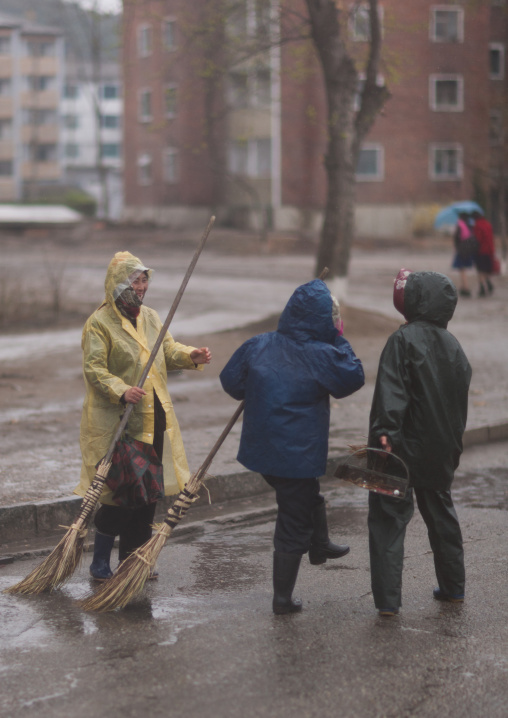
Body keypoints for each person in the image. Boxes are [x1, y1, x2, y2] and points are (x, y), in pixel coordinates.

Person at [220, 279, 365, 614]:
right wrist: (338, 337)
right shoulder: (322, 354)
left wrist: (256, 387)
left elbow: (231, 380)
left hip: (263, 452)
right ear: (323, 319)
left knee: (304, 494)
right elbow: (353, 377)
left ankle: (320, 545)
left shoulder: (259, 344)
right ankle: (282, 598)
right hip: (295, 455)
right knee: (293, 519)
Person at [75, 251, 211, 581]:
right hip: (121, 423)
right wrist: (121, 389)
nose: (141, 286)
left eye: (144, 279)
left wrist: (190, 355)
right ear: (118, 285)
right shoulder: (99, 324)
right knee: (120, 494)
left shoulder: (149, 317)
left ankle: (134, 561)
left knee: (147, 494)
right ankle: (100, 562)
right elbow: (94, 369)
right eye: (135, 280)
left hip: (154, 417)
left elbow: (167, 349)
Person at [368, 269, 471, 617]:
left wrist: (384, 432)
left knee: (387, 521)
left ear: (413, 301)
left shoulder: (403, 340)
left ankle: (387, 602)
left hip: (398, 448)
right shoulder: (454, 346)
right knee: (441, 517)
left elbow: (392, 392)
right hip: (440, 449)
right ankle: (454, 588)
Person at [451, 212, 476, 297]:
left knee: (462, 269)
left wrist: (456, 246)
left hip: (461, 250)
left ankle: (465, 287)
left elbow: (456, 238)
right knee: (463, 269)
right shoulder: (469, 225)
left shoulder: (460, 225)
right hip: (468, 250)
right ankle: (463, 286)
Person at [471, 211, 495, 297]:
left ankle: (482, 287)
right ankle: (488, 282)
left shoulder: (477, 226)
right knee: (486, 268)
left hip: (480, 251)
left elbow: (478, 239)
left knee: (480, 270)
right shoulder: (488, 224)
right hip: (489, 250)